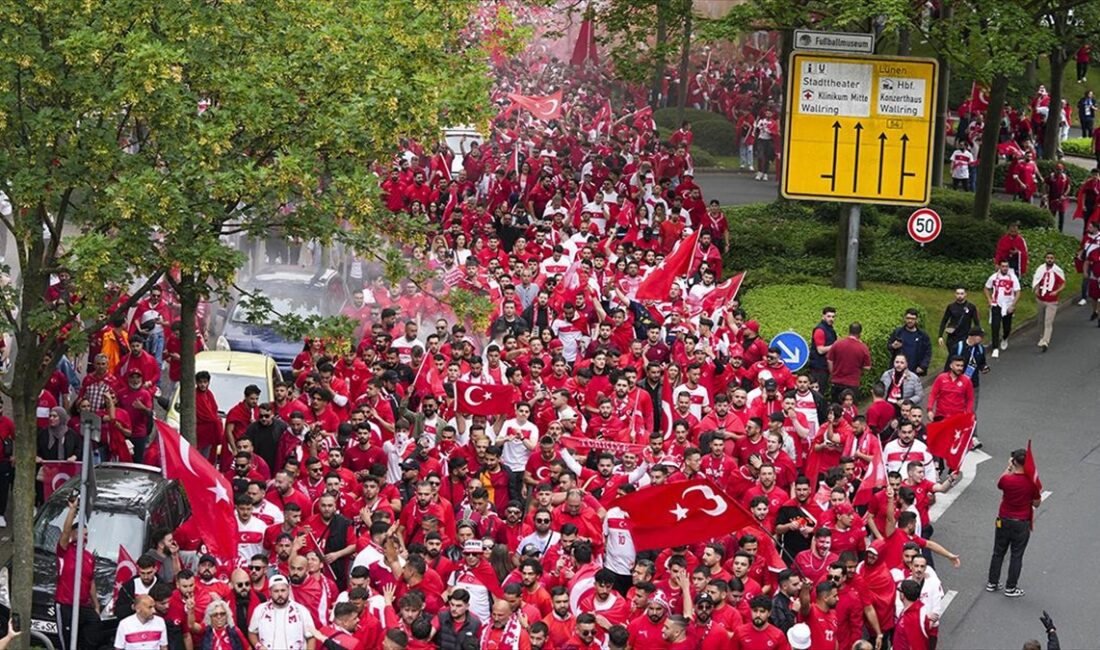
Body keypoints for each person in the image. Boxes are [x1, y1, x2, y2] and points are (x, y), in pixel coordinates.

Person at [986, 449, 1041, 598]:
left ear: (1013, 461)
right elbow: (1037, 503)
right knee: (1016, 555)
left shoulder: (1007, 480)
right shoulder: (1031, 483)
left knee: (998, 552)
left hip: (1003, 520)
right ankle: (1011, 587)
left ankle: (992, 582)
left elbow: (1000, 483)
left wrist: (1009, 467)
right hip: (1021, 523)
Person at [56, 490, 99, 650]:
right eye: (82, 534)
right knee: (66, 645)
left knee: (93, 629)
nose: (85, 537)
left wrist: (96, 605)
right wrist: (72, 510)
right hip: (66, 605)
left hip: (83, 606)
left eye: (87, 535)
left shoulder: (89, 556)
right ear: (74, 534)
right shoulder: (64, 550)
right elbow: (65, 531)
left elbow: (91, 581)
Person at [248, 574, 317, 650]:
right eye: (276, 591)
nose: (280, 594)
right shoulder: (260, 610)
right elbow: (251, 632)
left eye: (283, 590)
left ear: (288, 590)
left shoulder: (301, 611)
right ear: (270, 592)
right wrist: (258, 646)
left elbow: (311, 637)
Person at [825, 322, 871, 403]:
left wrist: (833, 373)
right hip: (852, 383)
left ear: (849, 331)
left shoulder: (837, 344)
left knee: (836, 408)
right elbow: (867, 367)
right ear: (860, 333)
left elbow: (829, 360)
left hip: (837, 382)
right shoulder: (863, 348)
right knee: (850, 410)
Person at [983, 260, 1020, 358]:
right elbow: (986, 288)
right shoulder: (994, 277)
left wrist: (1013, 305)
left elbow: (1018, 292)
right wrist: (989, 300)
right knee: (995, 326)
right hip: (996, 305)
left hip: (1008, 305)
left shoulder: (1013, 277)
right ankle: (995, 348)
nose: (1004, 268)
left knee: (1007, 327)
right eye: (1003, 266)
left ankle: (1005, 337)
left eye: (1006, 266)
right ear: (999, 267)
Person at [1032, 252, 1066, 351]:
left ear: (1054, 259)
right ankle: (1042, 336)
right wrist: (1037, 288)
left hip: (1052, 301)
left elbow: (1063, 284)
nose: (1049, 260)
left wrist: (1056, 291)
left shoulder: (1057, 271)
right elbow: (1037, 280)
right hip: (1041, 299)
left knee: (1048, 321)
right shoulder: (1040, 269)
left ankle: (1045, 342)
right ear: (1045, 259)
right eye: (1048, 258)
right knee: (1041, 320)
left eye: (1051, 258)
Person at [887, 309, 932, 377]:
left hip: (914, 371)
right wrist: (893, 346)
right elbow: (888, 346)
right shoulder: (898, 332)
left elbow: (928, 352)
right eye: (908, 318)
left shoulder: (923, 335)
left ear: (917, 320)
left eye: (912, 319)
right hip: (898, 370)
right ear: (905, 318)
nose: (910, 321)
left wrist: (923, 366)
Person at [808, 307, 837, 390]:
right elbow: (820, 350)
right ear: (823, 316)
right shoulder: (820, 330)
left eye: (833, 316)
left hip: (825, 366)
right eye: (829, 316)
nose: (831, 319)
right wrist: (836, 345)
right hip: (819, 367)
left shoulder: (830, 329)